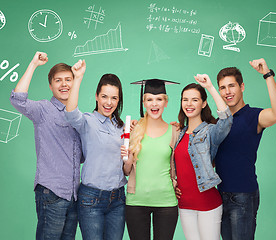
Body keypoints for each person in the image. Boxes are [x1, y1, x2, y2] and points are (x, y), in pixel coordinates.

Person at [9, 52, 83, 240]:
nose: (64, 84)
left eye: (68, 79)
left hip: (74, 196)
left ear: (74, 83)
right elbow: (18, 99)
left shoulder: (78, 117)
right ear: (50, 85)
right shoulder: (43, 109)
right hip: (52, 194)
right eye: (58, 80)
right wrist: (33, 64)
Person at [214, 58, 276, 240]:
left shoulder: (254, 116)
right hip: (219, 195)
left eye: (232, 86)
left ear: (242, 87)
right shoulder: (218, 122)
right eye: (222, 87)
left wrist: (267, 75)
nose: (227, 92)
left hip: (243, 196)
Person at [64, 59, 127, 240]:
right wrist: (78, 78)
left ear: (118, 100)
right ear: (96, 96)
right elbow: (70, 112)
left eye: (114, 98)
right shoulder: (87, 121)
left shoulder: (122, 127)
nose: (109, 102)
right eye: (105, 96)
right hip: (91, 199)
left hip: (118, 200)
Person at [173, 74, 232, 240]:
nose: (189, 104)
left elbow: (226, 120)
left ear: (203, 103)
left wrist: (210, 87)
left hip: (208, 204)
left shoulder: (210, 132)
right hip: (184, 205)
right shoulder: (178, 133)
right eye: (185, 100)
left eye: (194, 100)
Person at [122, 79, 179, 240]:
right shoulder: (132, 130)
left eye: (159, 99)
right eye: (149, 99)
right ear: (144, 102)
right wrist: (127, 158)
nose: (154, 104)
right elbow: (126, 171)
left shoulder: (175, 131)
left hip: (166, 203)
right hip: (136, 202)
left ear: (166, 102)